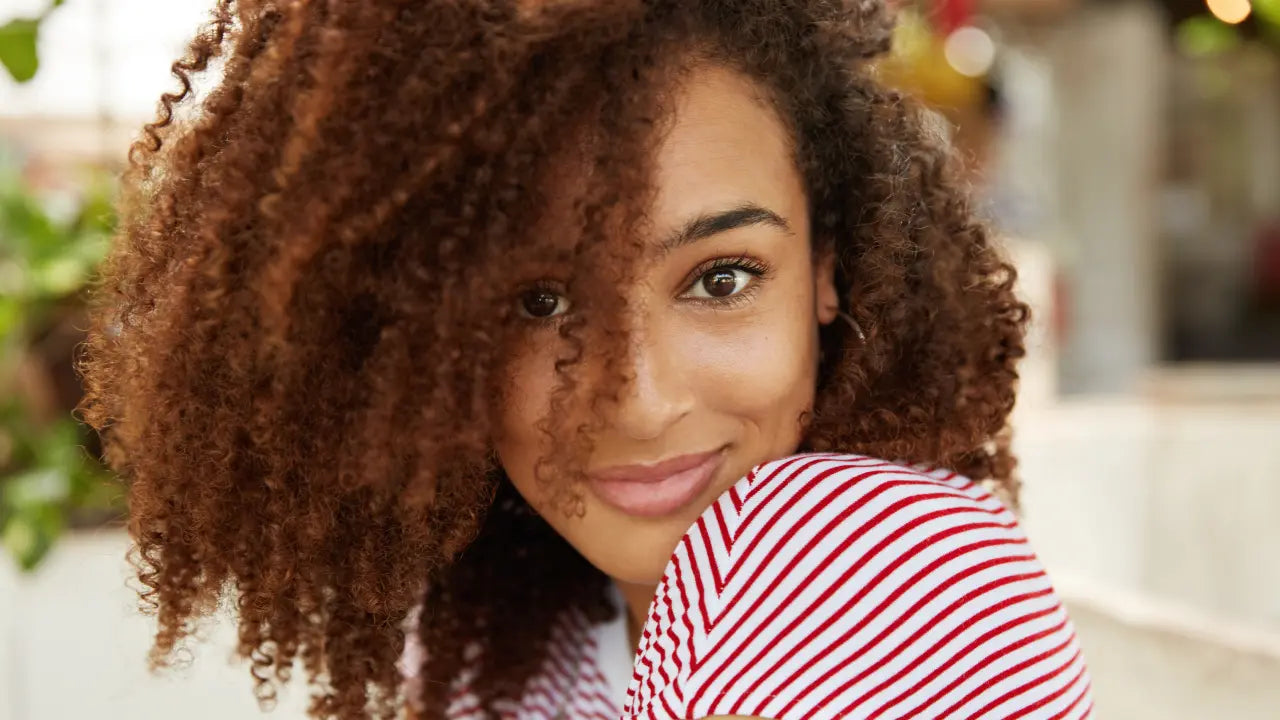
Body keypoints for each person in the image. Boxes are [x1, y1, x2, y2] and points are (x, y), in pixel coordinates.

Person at [75, 1, 1092, 718]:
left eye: (721, 278)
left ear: (825, 269)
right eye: (538, 302)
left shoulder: (871, 558)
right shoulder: (498, 643)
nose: (638, 399)